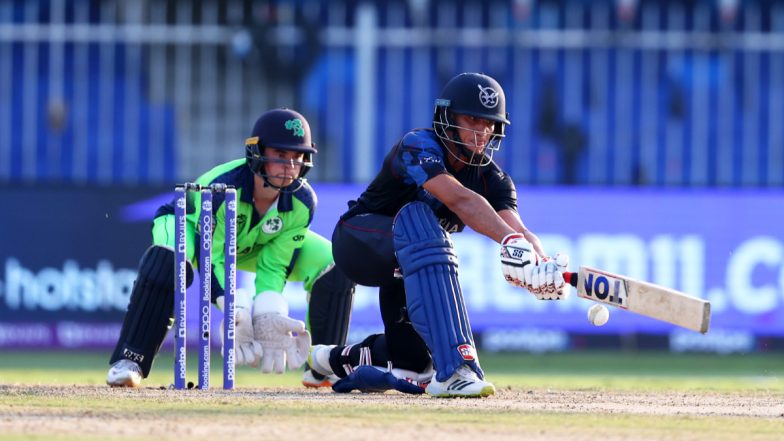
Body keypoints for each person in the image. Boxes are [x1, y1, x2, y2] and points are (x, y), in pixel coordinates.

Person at [307, 73, 569, 398]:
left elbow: (518, 229)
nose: (481, 132)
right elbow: (460, 200)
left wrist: (538, 263)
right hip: (359, 241)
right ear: (447, 116)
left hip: (407, 266)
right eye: (472, 119)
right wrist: (510, 243)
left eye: (489, 124)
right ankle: (456, 370)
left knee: (412, 366)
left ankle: (327, 358)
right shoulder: (419, 145)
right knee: (419, 221)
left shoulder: (495, 179)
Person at [107, 108, 355, 388]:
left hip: (253, 243)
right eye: (280, 155)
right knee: (170, 260)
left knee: (337, 261)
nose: (289, 166)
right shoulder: (223, 189)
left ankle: (325, 366)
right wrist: (234, 307)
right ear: (257, 153)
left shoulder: (302, 202)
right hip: (188, 223)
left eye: (297, 158)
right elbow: (210, 256)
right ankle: (130, 360)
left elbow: (275, 264)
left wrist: (267, 312)